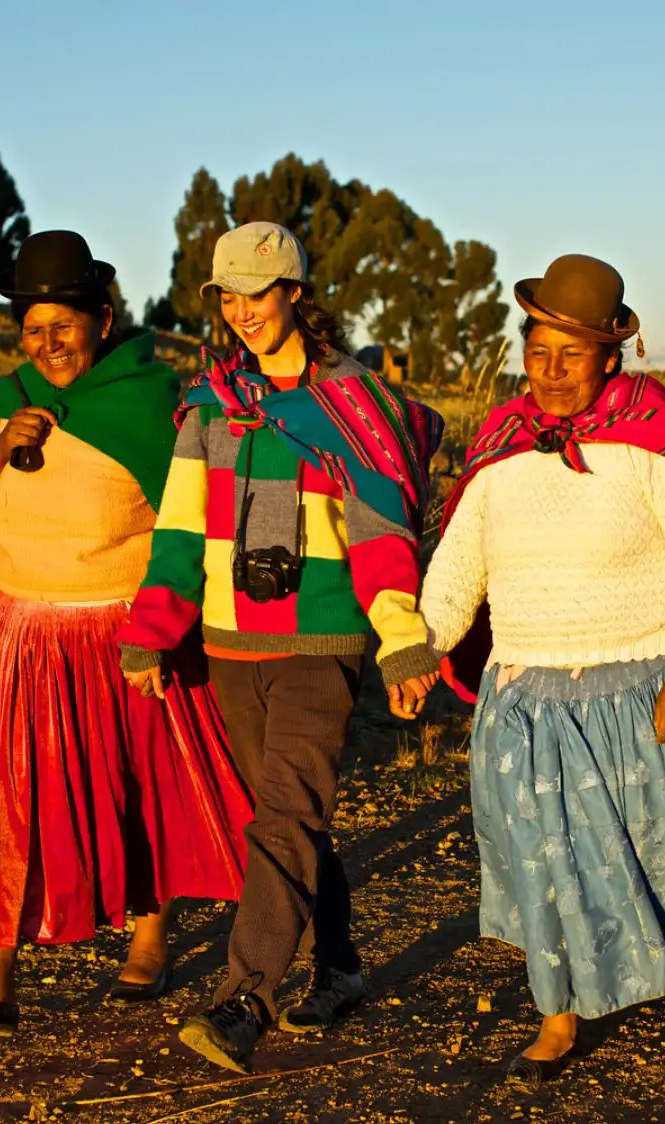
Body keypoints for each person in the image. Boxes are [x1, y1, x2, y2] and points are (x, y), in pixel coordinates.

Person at [419, 254, 665, 1083]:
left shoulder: (652, 438)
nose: (553, 372)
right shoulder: (502, 446)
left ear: (609, 355)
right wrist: (422, 646)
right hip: (529, 698)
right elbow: (456, 573)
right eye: (539, 350)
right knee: (547, 858)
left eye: (573, 355)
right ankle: (557, 1014)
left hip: (643, 686)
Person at [0, 230, 254, 1037]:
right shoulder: (3, 406)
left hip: (122, 636)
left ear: (103, 319)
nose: (48, 346)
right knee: (3, 802)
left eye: (64, 327)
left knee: (135, 790)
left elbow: (189, 524)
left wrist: (166, 625)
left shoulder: (153, 404)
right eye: (33, 329)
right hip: (13, 634)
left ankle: (150, 939)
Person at [118, 222, 442, 1073]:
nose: (242, 311)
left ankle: (242, 1001)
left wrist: (403, 641)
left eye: (257, 293)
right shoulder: (212, 404)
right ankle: (338, 968)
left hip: (322, 640)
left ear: (295, 293)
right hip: (232, 644)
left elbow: (380, 534)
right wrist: (152, 633)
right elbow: (182, 529)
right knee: (287, 819)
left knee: (288, 815)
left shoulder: (351, 404)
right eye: (228, 296)